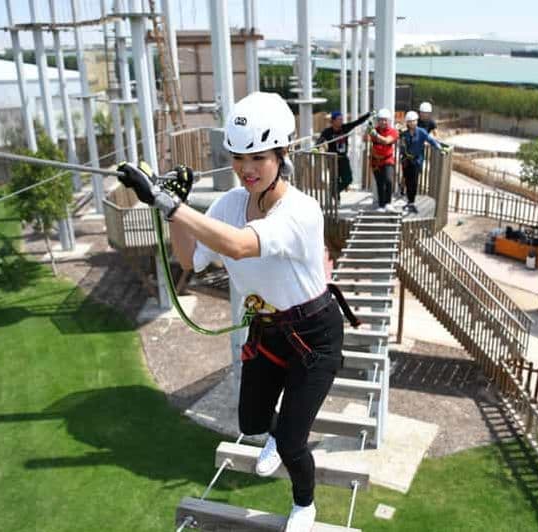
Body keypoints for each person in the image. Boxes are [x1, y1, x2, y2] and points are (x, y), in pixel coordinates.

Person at [115, 92, 359, 532]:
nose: (247, 169)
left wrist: (170, 204)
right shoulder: (229, 203)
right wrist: (174, 215)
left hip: (313, 335)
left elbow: (240, 245)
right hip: (266, 330)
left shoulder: (300, 210)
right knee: (249, 422)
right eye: (239, 157)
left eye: (259, 158)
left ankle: (304, 503)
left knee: (290, 441)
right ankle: (277, 436)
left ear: (282, 154)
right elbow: (190, 261)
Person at [315, 110, 372, 202]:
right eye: (339, 120)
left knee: (348, 179)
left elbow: (357, 122)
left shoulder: (345, 128)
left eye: (342, 119)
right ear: (333, 121)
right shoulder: (327, 132)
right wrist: (316, 149)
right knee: (334, 180)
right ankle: (336, 198)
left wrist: (368, 115)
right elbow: (319, 141)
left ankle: (335, 191)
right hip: (333, 159)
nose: (341, 121)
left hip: (343, 158)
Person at [399, 110, 446, 214]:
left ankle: (411, 202)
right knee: (407, 180)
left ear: (416, 121)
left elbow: (431, 140)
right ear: (407, 122)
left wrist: (439, 147)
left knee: (414, 181)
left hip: (416, 161)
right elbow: (402, 147)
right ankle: (409, 200)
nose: (412, 123)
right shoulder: (404, 134)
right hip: (406, 160)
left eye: (414, 121)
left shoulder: (421, 132)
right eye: (410, 121)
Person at [364, 108, 399, 212]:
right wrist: (368, 130)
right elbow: (365, 139)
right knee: (380, 183)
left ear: (388, 121)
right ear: (378, 120)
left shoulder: (393, 132)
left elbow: (386, 141)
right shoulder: (374, 130)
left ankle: (388, 203)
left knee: (388, 180)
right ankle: (381, 205)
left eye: (385, 120)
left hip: (387, 160)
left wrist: (375, 135)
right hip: (376, 161)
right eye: (381, 120)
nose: (383, 122)